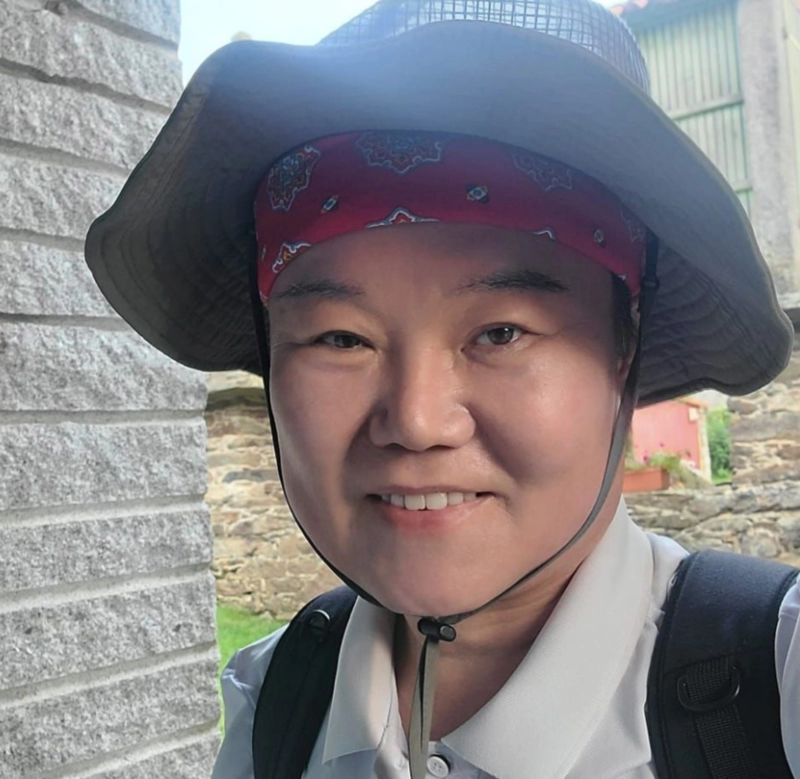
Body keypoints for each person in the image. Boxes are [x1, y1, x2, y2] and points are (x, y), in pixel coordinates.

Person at [84, 1, 800, 777]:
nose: (417, 420)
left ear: (623, 343)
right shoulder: (277, 701)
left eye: (502, 332)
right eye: (340, 337)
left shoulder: (775, 684)